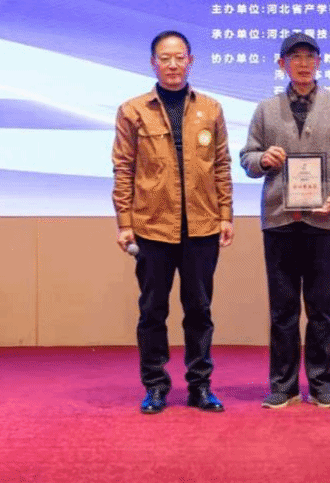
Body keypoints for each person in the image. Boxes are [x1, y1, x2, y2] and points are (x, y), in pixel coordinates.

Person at [240, 33, 330, 410]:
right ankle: (282, 385)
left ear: (319, 62)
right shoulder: (266, 109)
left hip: (323, 220)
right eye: (294, 57)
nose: (302, 64)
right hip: (279, 220)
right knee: (282, 309)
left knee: (321, 308)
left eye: (309, 57)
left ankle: (322, 384)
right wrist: (262, 160)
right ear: (281, 64)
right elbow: (247, 157)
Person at [111, 30, 235, 414]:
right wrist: (124, 222)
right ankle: (155, 386)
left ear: (190, 61)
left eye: (180, 57)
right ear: (153, 63)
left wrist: (226, 215)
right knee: (152, 312)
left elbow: (222, 166)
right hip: (151, 227)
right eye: (165, 58)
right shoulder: (133, 111)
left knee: (199, 310)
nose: (173, 65)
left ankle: (201, 386)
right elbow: (123, 169)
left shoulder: (210, 109)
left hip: (202, 226)